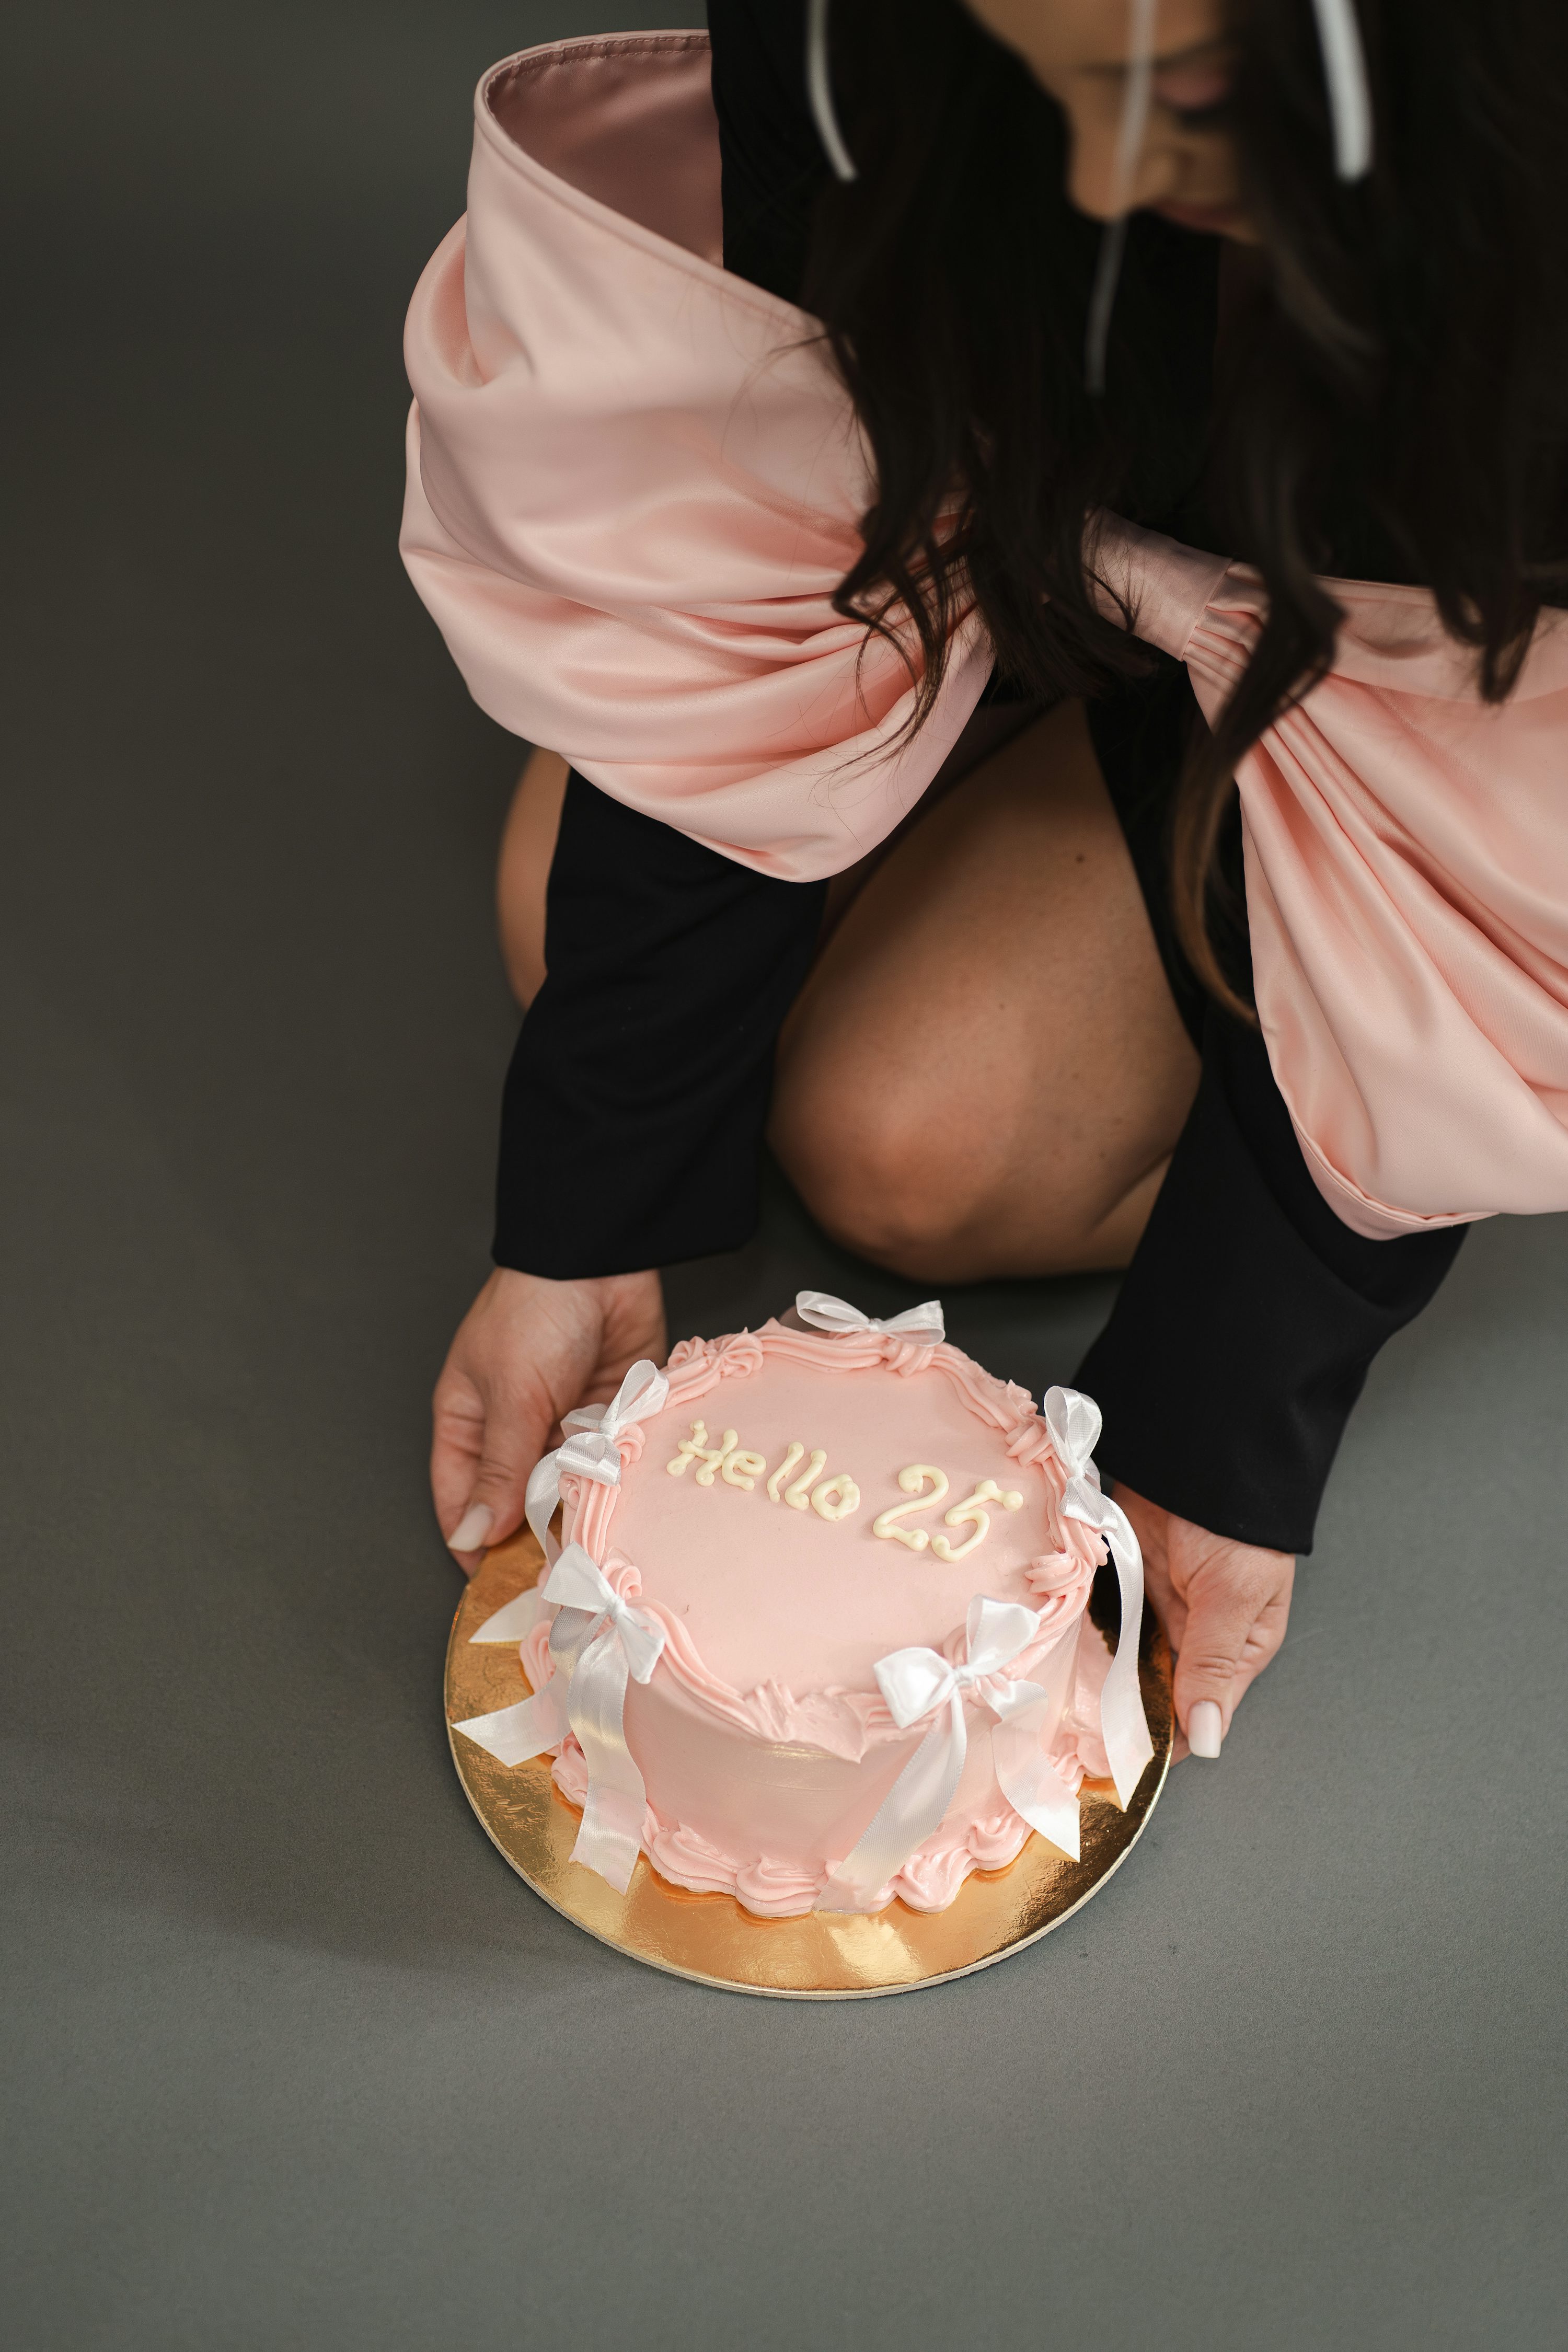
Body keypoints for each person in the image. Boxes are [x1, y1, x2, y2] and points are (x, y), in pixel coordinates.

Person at [404, 0, 1568, 1763]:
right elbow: (787, 421)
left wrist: (1226, 1403)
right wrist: (591, 1208)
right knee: (555, 915)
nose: (1103, 175)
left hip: (1459, 665)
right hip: (1039, 495)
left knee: (903, 1139)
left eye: (1169, 98)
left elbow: (1509, 777)